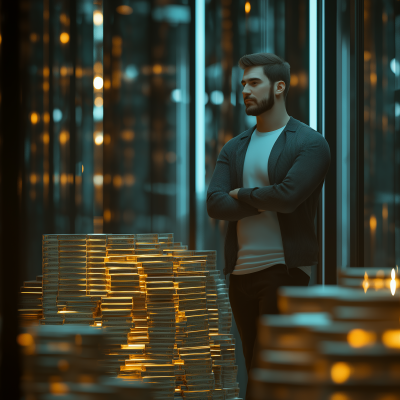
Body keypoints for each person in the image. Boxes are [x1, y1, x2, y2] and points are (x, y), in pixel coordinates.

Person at [206, 52, 331, 397]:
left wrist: (243, 193)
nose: (244, 89)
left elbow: (289, 197)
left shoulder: (309, 143)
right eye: (243, 83)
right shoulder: (235, 147)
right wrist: (263, 199)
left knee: (266, 367)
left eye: (253, 82)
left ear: (279, 87)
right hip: (240, 273)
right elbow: (215, 204)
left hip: (284, 269)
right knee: (253, 364)